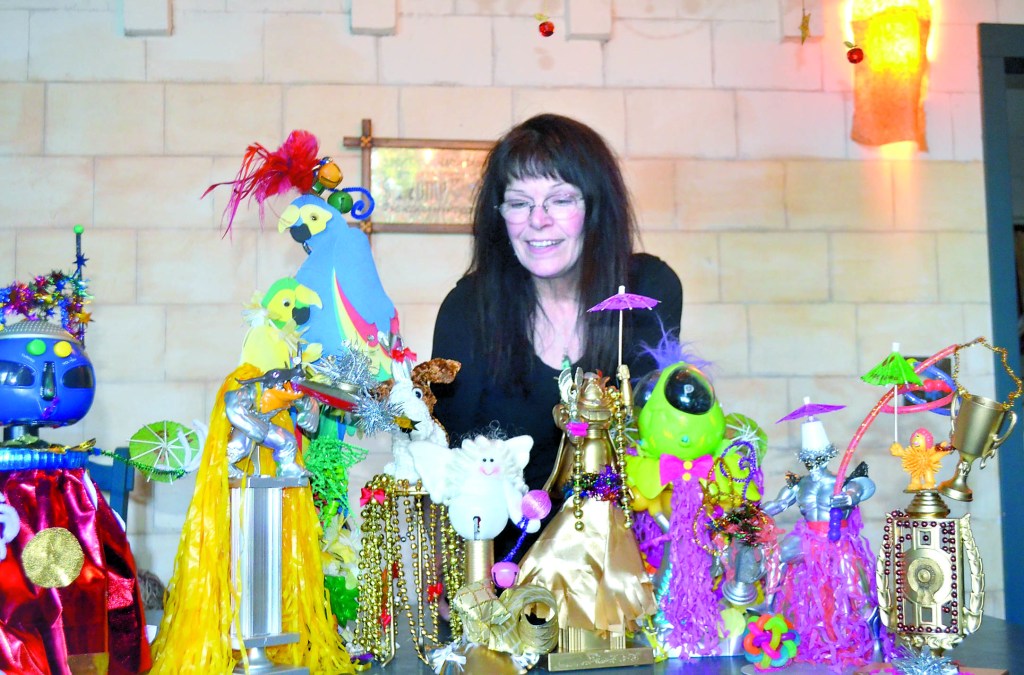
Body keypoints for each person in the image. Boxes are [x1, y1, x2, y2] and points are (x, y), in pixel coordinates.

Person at [430, 114, 682, 559]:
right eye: (519, 203)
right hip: (506, 573)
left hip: (625, 566)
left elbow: (662, 438)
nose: (538, 221)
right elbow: (450, 467)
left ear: (595, 208)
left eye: (560, 200)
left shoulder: (649, 290)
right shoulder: (467, 310)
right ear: (499, 216)